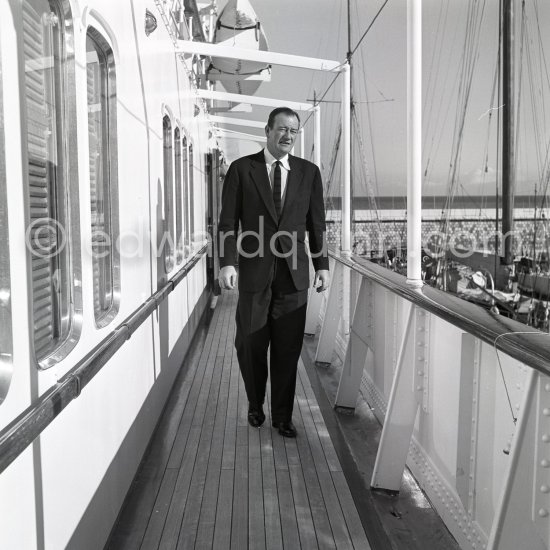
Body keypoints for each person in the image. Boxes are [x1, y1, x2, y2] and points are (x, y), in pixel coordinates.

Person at [218, 107, 330, 438]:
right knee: (249, 344)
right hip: (254, 270)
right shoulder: (242, 169)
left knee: (287, 348)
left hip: (293, 275)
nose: (287, 136)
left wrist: (321, 265)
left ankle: (283, 416)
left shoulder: (309, 173)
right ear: (267, 130)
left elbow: (316, 224)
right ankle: (256, 402)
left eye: (293, 132)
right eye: (281, 129)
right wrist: (227, 262)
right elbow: (228, 222)